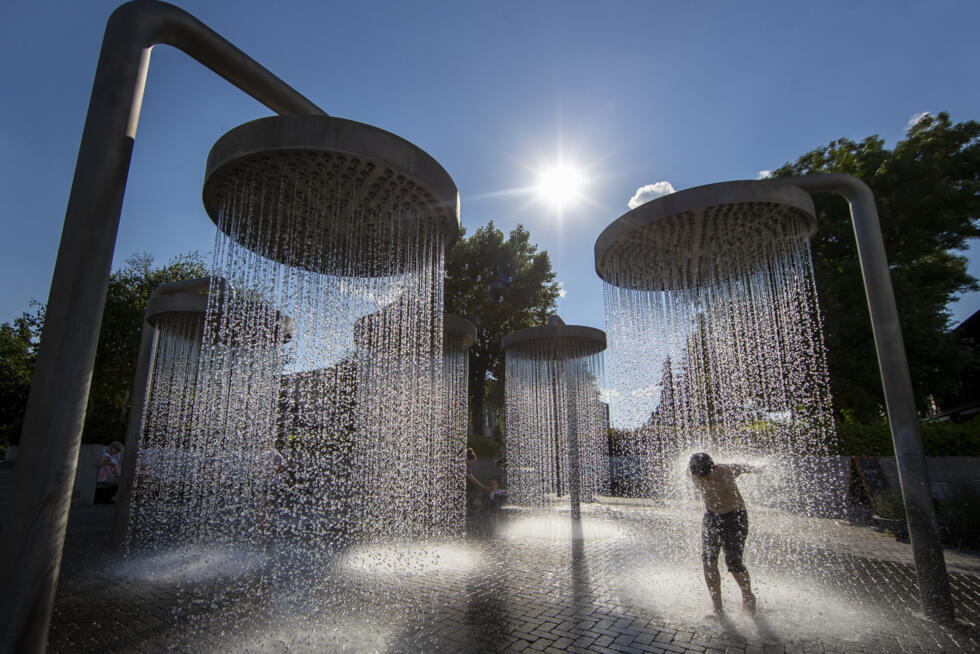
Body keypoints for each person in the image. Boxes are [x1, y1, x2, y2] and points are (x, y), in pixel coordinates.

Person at [688, 452, 764, 616]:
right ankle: (717, 608)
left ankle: (748, 598)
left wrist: (756, 469)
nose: (706, 479)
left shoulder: (725, 471)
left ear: (713, 468)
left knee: (733, 562)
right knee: (708, 562)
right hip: (711, 517)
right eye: (701, 476)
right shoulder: (694, 474)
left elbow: (742, 467)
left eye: (707, 474)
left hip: (735, 517)